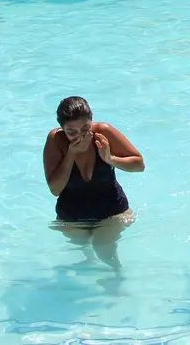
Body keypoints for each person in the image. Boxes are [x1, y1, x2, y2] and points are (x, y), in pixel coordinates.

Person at [43, 96, 145, 273]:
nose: (81, 136)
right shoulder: (56, 140)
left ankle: (116, 278)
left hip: (111, 211)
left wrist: (110, 159)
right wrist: (71, 155)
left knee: (105, 250)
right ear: (62, 128)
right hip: (72, 215)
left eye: (85, 128)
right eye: (72, 132)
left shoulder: (103, 132)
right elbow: (55, 189)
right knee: (81, 247)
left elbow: (139, 165)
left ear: (91, 121)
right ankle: (89, 260)